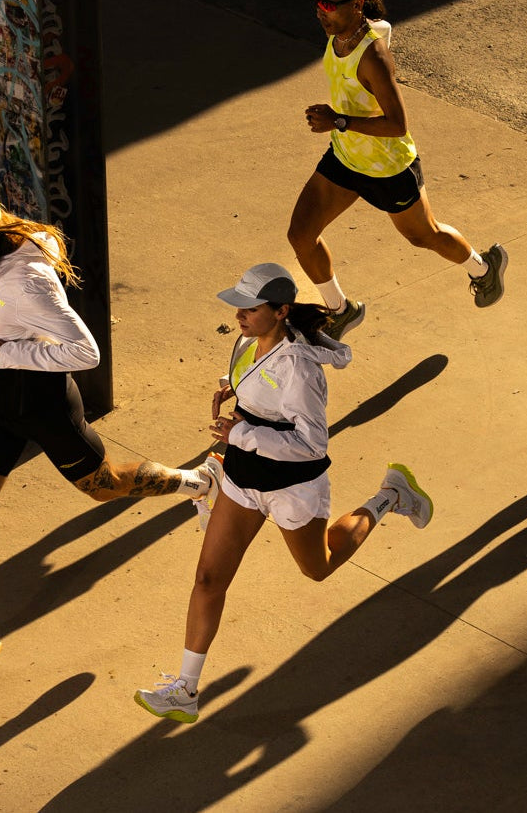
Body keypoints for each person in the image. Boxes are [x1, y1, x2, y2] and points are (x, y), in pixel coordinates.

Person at [0, 189, 220, 675]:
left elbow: (86, 353)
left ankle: (199, 482)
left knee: (104, 486)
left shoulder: (28, 281)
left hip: (43, 404)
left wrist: (7, 354)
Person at [134, 263, 433, 724]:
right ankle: (186, 691)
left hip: (292, 486)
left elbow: (312, 444)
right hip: (243, 477)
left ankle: (390, 496)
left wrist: (240, 434)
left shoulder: (300, 369)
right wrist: (233, 388)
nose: (240, 315)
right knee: (209, 580)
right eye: (239, 306)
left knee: (319, 567)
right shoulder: (247, 341)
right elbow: (258, 381)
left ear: (281, 312)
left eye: (251, 309)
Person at [287, 0, 507, 340]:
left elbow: (397, 124)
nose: (320, 12)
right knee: (301, 235)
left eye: (329, 5)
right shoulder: (343, 33)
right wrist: (340, 127)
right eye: (317, 3)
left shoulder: (373, 58)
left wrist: (338, 120)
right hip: (346, 158)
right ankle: (340, 311)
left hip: (389, 168)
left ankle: (484, 268)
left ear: (357, 5)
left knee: (425, 236)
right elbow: (382, 26)